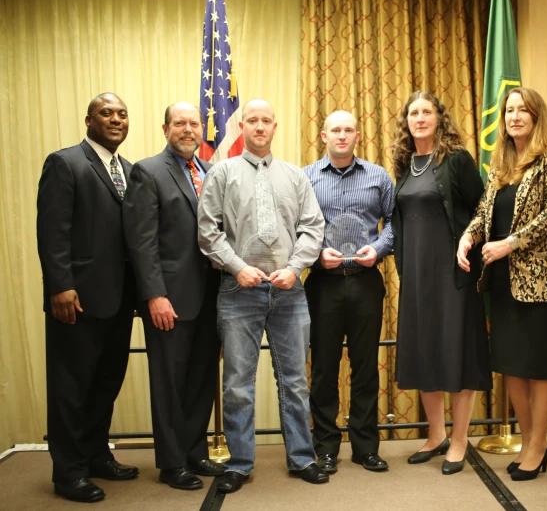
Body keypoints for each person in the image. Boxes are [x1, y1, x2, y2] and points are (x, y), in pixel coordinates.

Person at [198, 98, 327, 493]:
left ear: (275, 127)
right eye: (251, 120)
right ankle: (238, 463)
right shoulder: (221, 174)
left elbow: (313, 228)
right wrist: (238, 267)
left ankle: (302, 458)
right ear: (242, 127)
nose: (258, 126)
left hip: (290, 291)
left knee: (295, 380)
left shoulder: (295, 176)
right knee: (238, 381)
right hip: (239, 290)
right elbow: (208, 230)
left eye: (265, 120)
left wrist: (294, 268)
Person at [458, 87, 547, 482]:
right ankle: (530, 440)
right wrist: (468, 236)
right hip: (502, 281)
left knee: (537, 368)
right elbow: (484, 212)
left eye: (523, 110)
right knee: (512, 368)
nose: (514, 116)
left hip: (541, 283)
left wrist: (510, 243)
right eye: (509, 110)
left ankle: (538, 446)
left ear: (537, 116)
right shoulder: (501, 165)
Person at [36, 92, 138, 503]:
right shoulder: (65, 163)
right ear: (88, 120)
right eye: (106, 113)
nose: (115, 119)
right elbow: (53, 230)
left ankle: (97, 455)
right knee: (71, 388)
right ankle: (69, 472)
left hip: (118, 301)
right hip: (75, 301)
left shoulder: (130, 171)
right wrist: (59, 285)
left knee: (105, 384)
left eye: (122, 114)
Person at [123, 102, 224, 491]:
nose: (187, 130)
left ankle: (195, 451)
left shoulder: (211, 172)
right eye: (179, 123)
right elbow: (141, 241)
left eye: (194, 124)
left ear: (203, 130)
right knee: (168, 382)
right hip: (169, 300)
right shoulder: (148, 171)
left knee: (201, 379)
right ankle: (171, 462)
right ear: (165, 128)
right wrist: (154, 295)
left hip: (211, 297)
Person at [391, 91, 491, 475]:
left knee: (456, 354)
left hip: (454, 277)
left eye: (426, 111)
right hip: (417, 279)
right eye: (413, 113)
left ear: (439, 118)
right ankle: (436, 435)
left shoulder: (457, 160)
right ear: (406, 121)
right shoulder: (404, 164)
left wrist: (468, 242)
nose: (419, 118)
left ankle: (461, 438)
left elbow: (482, 210)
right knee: (426, 354)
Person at [303, 111, 394, 474]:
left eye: (348, 130)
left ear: (358, 135)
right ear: (323, 135)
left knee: (366, 368)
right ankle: (325, 447)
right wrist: (314, 253)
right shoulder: (305, 177)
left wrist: (381, 248)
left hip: (365, 282)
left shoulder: (378, 176)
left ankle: (364, 448)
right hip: (322, 284)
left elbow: (394, 223)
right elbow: (294, 226)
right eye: (335, 130)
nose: (342, 136)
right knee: (323, 369)